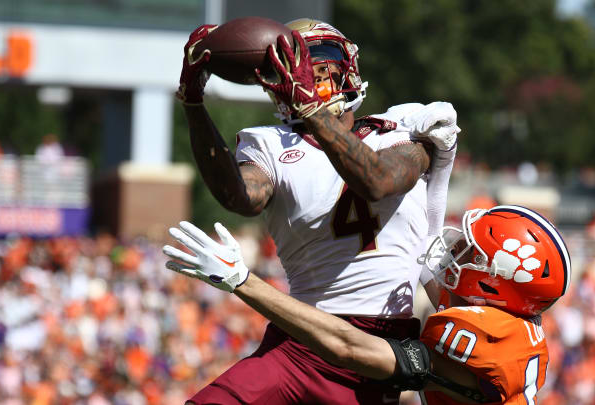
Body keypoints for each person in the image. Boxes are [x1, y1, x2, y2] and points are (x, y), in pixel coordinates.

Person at [175, 17, 460, 405]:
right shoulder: (272, 145)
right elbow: (240, 197)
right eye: (296, 66)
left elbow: (378, 180)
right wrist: (193, 105)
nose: (312, 74)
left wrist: (314, 112)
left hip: (379, 349)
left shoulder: (403, 129)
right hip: (302, 341)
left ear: (349, 66)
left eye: (321, 60)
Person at [163, 204, 572, 404]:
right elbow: (423, 251)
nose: (453, 251)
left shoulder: (482, 339)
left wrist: (243, 282)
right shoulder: (512, 324)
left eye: (469, 252)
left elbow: (350, 348)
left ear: (497, 281)